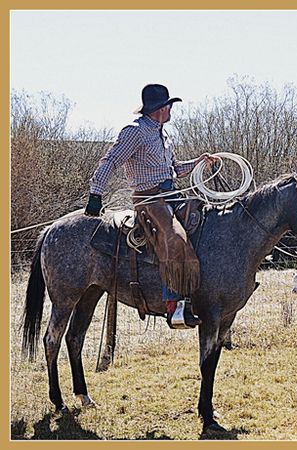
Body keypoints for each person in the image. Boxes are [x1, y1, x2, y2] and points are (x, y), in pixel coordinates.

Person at [85, 83, 218, 328]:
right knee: (174, 237)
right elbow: (111, 160)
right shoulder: (134, 132)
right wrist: (96, 193)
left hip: (172, 193)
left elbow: (175, 170)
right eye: (169, 106)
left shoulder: (163, 134)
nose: (171, 110)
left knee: (206, 219)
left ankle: (202, 291)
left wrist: (200, 163)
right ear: (161, 108)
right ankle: (174, 305)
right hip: (148, 199)